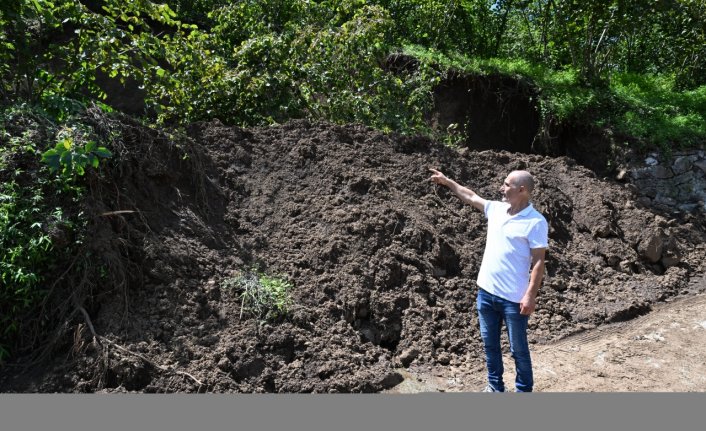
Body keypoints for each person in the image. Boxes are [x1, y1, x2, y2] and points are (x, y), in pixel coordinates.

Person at [429, 168, 548, 392]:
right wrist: (447, 182)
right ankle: (494, 387)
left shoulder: (535, 222)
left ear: (521, 190)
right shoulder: (496, 209)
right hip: (486, 293)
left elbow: (539, 262)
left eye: (506, 185)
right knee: (490, 345)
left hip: (514, 299)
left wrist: (530, 295)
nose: (501, 188)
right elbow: (471, 196)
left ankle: (523, 390)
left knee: (518, 349)